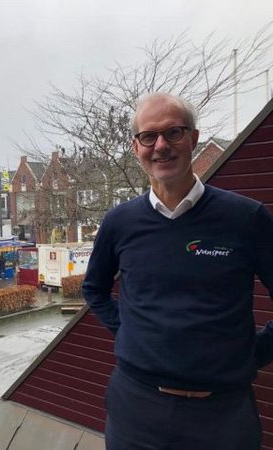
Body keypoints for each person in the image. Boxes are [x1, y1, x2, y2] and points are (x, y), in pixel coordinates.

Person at [82, 92, 273, 450]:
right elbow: (94, 288)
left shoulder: (246, 219)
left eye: (173, 133)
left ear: (194, 138)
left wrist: (253, 352)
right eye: (148, 136)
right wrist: (128, 332)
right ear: (135, 146)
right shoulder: (119, 222)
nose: (160, 146)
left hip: (223, 415)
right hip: (136, 409)